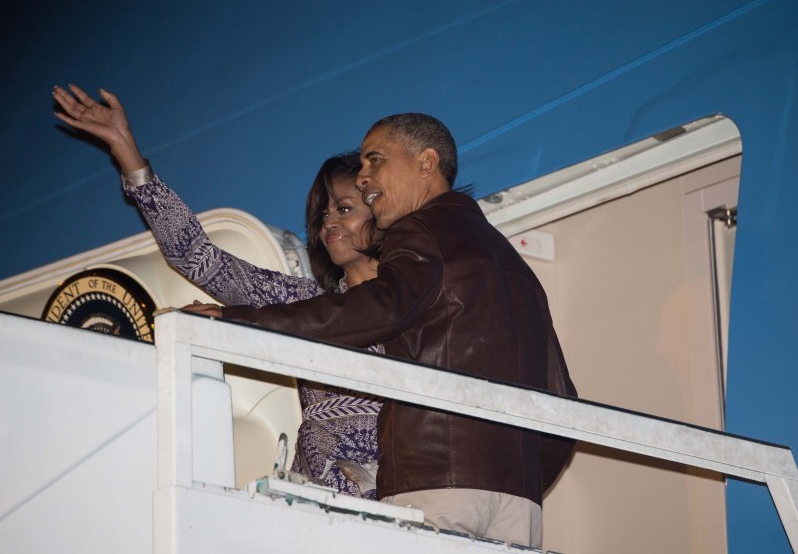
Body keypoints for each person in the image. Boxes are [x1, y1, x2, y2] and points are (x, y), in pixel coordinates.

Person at [187, 112, 578, 548]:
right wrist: (518, 479)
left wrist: (238, 323)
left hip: (435, 480)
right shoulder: (514, 266)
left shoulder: (422, 228)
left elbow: (377, 309)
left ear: (426, 163)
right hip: (518, 500)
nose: (365, 177)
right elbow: (562, 400)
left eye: (375, 161)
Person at [52, 84, 383, 498]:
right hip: (313, 497)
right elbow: (196, 255)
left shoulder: (421, 300)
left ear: (383, 212)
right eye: (324, 213)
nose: (328, 222)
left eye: (345, 209)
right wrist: (126, 150)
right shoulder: (304, 301)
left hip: (397, 499)